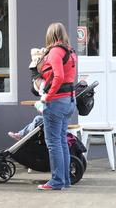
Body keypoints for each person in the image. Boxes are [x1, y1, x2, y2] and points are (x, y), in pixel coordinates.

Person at [38, 22, 76, 191]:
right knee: (61, 141)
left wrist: (48, 96)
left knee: (53, 143)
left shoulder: (54, 52)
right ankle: (65, 179)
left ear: (50, 35)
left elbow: (58, 77)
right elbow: (68, 76)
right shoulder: (71, 51)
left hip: (57, 102)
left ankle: (57, 181)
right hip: (69, 100)